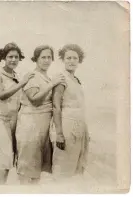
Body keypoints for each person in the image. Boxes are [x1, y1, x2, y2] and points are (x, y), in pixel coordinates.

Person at [15, 45, 65, 184]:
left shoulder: (47, 77)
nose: (46, 60)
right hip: (29, 125)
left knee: (37, 169)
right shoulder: (32, 76)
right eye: (43, 57)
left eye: (49, 57)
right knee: (27, 167)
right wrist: (52, 84)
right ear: (36, 59)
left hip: (42, 128)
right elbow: (35, 100)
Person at [0, 42, 34, 184]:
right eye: (10, 57)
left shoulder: (17, 75)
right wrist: (22, 83)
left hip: (13, 119)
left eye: (16, 57)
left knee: (10, 158)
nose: (13, 60)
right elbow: (2, 95)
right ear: (4, 57)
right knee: (5, 157)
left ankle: (1, 189)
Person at [52, 44, 90, 178]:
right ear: (63, 60)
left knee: (75, 167)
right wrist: (59, 134)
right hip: (66, 126)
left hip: (79, 127)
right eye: (68, 58)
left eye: (75, 58)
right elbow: (56, 106)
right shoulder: (61, 78)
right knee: (63, 167)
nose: (72, 61)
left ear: (79, 60)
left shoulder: (76, 80)